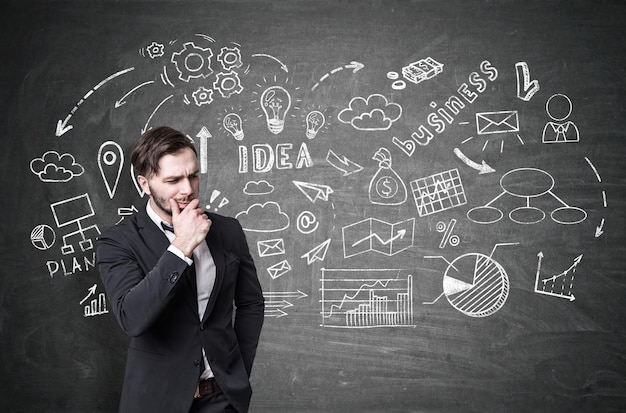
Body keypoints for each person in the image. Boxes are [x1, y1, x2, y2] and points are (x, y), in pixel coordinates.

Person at [97, 126, 265, 413]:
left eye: (193, 176)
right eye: (173, 180)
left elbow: (250, 303)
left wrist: (236, 369)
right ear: (145, 183)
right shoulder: (117, 241)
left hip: (222, 398)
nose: (187, 189)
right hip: (155, 400)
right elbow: (132, 318)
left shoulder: (227, 230)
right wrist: (182, 246)